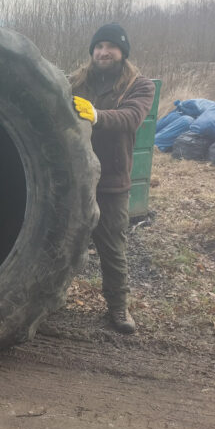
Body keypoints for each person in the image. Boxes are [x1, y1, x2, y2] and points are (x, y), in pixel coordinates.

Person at [70, 23, 155, 334]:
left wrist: (96, 115)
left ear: (123, 52)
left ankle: (118, 309)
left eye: (110, 47)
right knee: (61, 243)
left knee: (113, 249)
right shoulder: (77, 82)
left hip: (111, 182)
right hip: (74, 180)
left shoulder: (139, 85)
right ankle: (45, 300)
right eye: (98, 47)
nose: (103, 52)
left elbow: (131, 118)